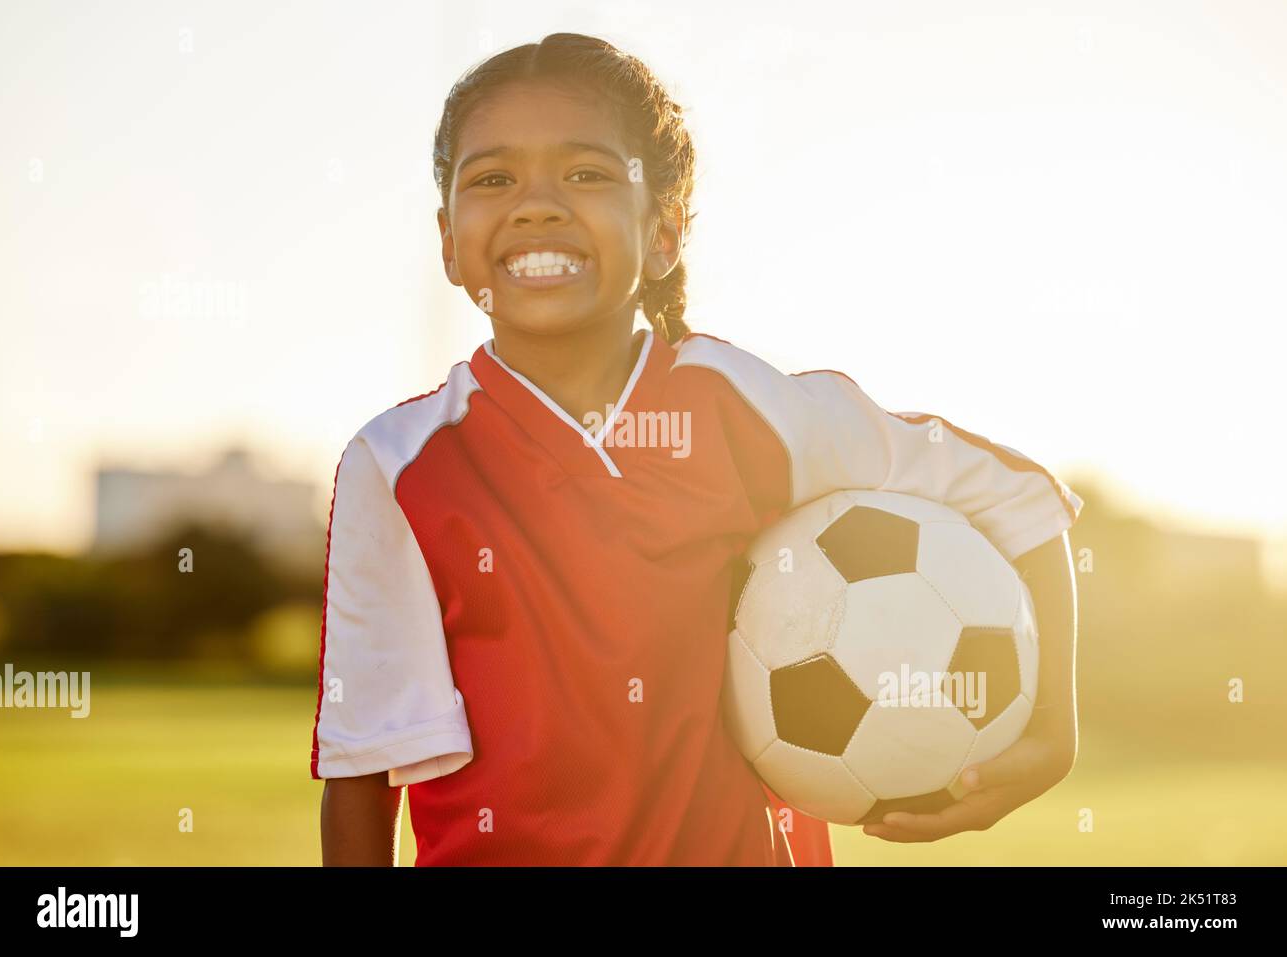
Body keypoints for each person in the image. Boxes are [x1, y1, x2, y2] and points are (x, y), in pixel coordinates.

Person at [312, 33, 1082, 866]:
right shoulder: (396, 467)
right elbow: (364, 762)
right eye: (493, 178)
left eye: (587, 174)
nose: (537, 205)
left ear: (663, 233)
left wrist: (1053, 733)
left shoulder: (747, 410)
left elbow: (1023, 497)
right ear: (450, 241)